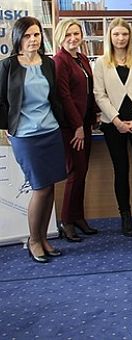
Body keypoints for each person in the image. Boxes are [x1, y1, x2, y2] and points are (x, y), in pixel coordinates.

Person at [0, 16, 67, 263]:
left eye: (36, 35)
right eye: (27, 35)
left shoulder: (48, 63)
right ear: (18, 38)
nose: (32, 40)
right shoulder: (8, 66)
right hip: (25, 135)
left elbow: (55, 97)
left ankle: (44, 237)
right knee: (40, 188)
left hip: (50, 131)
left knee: (50, 188)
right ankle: (34, 240)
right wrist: (6, 127)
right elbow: (1, 101)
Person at [93, 17, 132, 237]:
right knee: (121, 171)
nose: (121, 38)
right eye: (116, 34)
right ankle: (125, 217)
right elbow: (99, 94)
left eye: (125, 34)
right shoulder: (101, 63)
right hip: (114, 125)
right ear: (110, 36)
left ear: (131, 36)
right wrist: (117, 120)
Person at [53, 18, 99, 241]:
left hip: (85, 124)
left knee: (82, 172)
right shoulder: (60, 61)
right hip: (72, 128)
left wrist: (93, 115)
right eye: (69, 34)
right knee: (75, 173)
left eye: (77, 33)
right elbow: (65, 97)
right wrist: (78, 126)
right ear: (61, 36)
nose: (73, 38)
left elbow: (89, 90)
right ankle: (66, 221)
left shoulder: (81, 58)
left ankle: (78, 217)